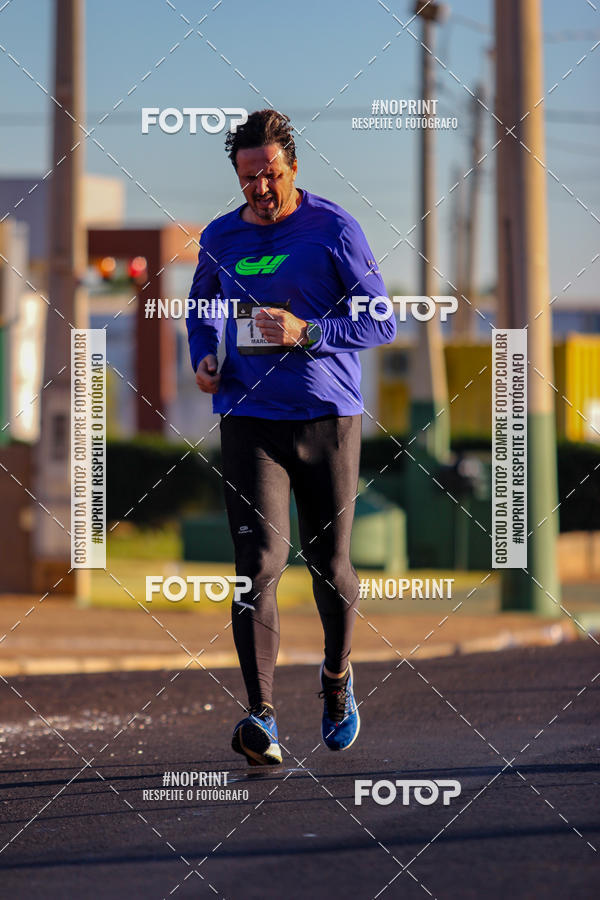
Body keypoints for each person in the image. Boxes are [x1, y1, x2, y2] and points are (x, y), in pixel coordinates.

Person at [187, 109, 395, 766]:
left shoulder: (333, 229)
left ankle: (336, 679)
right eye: (248, 178)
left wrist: (308, 332)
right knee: (258, 567)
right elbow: (200, 309)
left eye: (269, 174)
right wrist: (204, 357)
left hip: (327, 418)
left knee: (330, 567)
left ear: (292, 167)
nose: (259, 188)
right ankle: (263, 715)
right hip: (249, 421)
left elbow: (380, 320)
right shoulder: (220, 237)